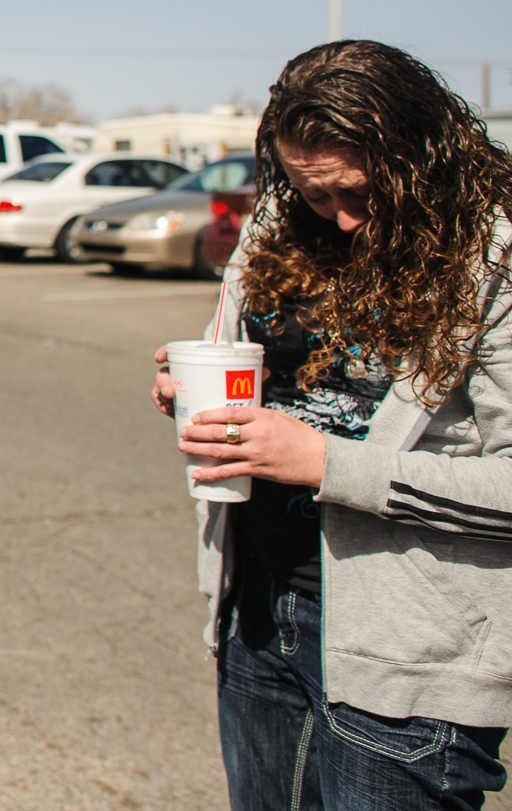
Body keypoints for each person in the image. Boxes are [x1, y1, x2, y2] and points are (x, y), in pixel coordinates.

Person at [152, 40, 512, 810]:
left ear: (421, 157)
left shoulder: (496, 255)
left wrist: (326, 463)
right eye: (317, 195)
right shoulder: (279, 224)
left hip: (408, 649)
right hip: (259, 607)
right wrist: (190, 379)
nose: (342, 218)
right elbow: (252, 359)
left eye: (360, 191)